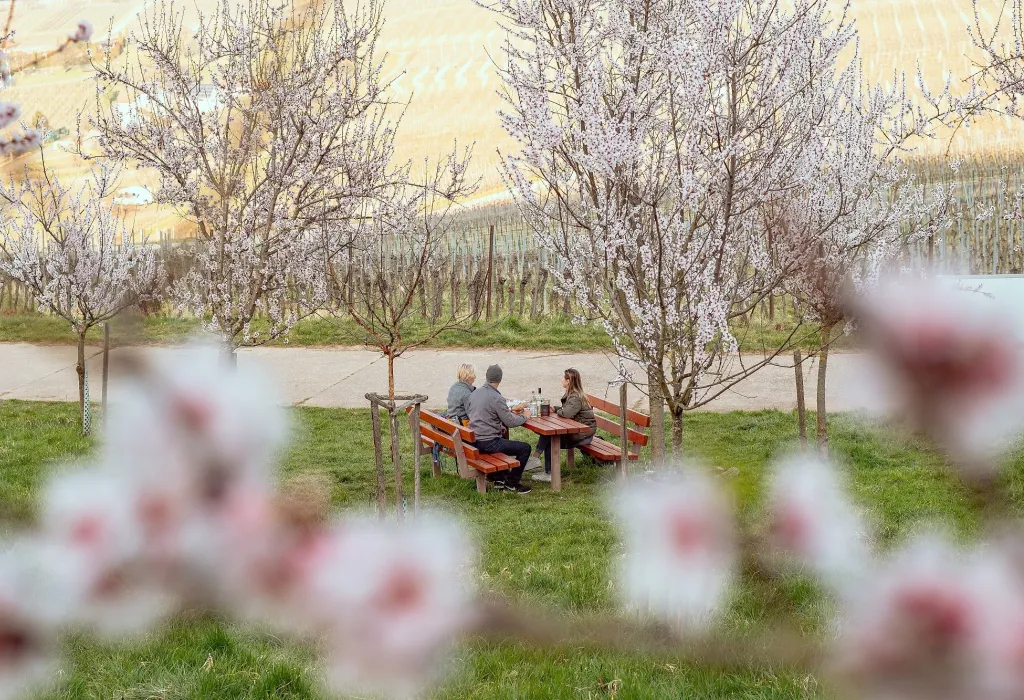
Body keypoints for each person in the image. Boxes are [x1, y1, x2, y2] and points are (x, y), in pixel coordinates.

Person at [465, 364, 533, 494]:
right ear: (500, 379)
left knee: (504, 438)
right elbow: (511, 422)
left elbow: (473, 413)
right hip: (488, 442)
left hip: (474, 440)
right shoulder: (497, 398)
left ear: (486, 377)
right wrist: (525, 416)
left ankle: (499, 477)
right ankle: (512, 483)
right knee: (525, 448)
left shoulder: (474, 393)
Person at [532, 368, 597, 482]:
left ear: (569, 381)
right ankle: (538, 461)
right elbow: (567, 410)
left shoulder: (575, 396)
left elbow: (566, 413)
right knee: (549, 435)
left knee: (550, 438)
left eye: (563, 378)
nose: (561, 380)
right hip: (580, 432)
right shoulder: (573, 394)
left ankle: (545, 468)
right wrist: (556, 409)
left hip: (582, 435)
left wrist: (557, 411)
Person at [432, 364, 477, 470]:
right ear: (469, 375)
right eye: (474, 374)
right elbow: (473, 414)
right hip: (462, 430)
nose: (475, 377)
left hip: (452, 426)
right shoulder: (467, 393)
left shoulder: (454, 387)